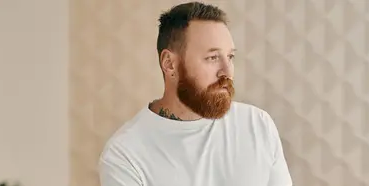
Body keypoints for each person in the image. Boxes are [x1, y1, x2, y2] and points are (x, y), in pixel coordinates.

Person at [98, 2, 293, 186]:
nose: (227, 71)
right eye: (212, 57)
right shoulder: (125, 154)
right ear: (170, 64)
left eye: (230, 57)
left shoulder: (258, 125)